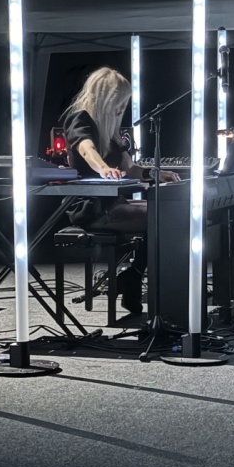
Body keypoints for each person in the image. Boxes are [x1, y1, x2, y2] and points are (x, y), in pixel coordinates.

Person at [60, 67, 180, 315]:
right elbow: (87, 150)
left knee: (171, 212)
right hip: (90, 207)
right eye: (119, 101)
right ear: (104, 98)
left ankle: (134, 276)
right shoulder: (79, 120)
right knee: (164, 217)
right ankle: (134, 279)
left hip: (113, 203)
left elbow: (130, 168)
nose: (122, 107)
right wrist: (103, 168)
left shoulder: (112, 132)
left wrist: (155, 174)